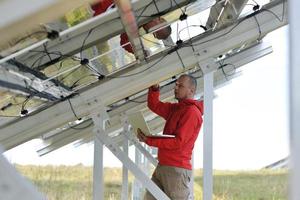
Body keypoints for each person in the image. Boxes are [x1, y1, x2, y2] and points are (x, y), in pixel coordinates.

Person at [137, 74, 204, 200]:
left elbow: (178, 142)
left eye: (181, 86)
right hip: (163, 166)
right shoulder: (175, 108)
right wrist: (155, 88)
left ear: (191, 91)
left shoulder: (191, 113)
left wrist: (149, 140)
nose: (176, 87)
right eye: (176, 84)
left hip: (176, 170)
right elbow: (154, 105)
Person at [91, 0, 172, 54]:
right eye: (155, 32)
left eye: (154, 35)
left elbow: (125, 42)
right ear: (159, 21)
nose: (150, 33)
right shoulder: (149, 4)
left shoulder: (137, 25)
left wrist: (141, 51)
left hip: (97, 8)